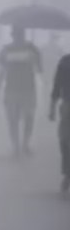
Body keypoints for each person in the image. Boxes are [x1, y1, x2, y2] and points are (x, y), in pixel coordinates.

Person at [0, 26, 43, 157]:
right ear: (13, 35)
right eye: (16, 34)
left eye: (19, 34)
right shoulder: (7, 50)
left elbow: (39, 69)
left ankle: (23, 144)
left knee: (26, 118)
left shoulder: (31, 49)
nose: (18, 37)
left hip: (25, 89)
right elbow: (1, 71)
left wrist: (35, 58)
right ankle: (17, 145)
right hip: (14, 89)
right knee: (14, 119)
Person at [49, 53, 70, 198]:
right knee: (65, 140)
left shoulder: (65, 61)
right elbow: (57, 86)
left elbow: (56, 87)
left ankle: (67, 174)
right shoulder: (65, 62)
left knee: (65, 140)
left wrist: (52, 108)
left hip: (67, 105)